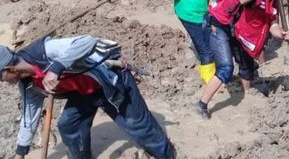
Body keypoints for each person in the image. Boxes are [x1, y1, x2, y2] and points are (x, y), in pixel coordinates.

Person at [0, 35, 175, 159]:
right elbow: (29, 118)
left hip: (109, 81)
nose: (3, 82)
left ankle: (167, 155)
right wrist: (20, 153)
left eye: (1, 78)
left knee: (137, 125)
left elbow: (87, 42)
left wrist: (55, 69)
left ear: (10, 69)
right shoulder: (27, 85)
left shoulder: (44, 51)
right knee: (69, 125)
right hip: (83, 92)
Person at [195, 0, 289, 119]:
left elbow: (273, 24)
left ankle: (248, 97)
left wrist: (283, 35)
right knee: (226, 68)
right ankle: (202, 104)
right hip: (220, 22)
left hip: (237, 28)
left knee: (247, 63)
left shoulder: (274, 0)